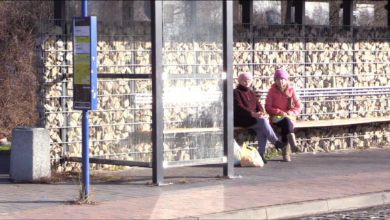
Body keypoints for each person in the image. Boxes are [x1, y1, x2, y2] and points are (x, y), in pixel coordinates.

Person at [234, 72, 287, 164]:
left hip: (252, 119)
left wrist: (260, 112)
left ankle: (261, 154)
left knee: (261, 129)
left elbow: (258, 105)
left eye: (249, 81)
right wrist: (252, 114)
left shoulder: (251, 93)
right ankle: (276, 142)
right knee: (262, 122)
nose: (247, 83)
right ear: (240, 82)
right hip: (241, 119)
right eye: (244, 81)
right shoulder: (236, 92)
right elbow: (239, 107)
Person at [265, 69, 302, 162]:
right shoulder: (271, 91)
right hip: (276, 117)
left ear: (286, 80)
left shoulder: (291, 90)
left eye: (282, 79)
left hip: (289, 116)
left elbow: (298, 107)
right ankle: (291, 147)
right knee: (286, 121)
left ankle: (286, 153)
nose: (280, 81)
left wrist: (289, 113)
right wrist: (278, 112)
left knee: (286, 121)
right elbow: (268, 107)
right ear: (275, 81)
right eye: (278, 79)